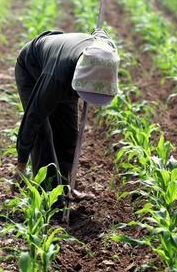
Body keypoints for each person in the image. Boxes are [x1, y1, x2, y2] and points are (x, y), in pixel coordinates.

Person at [13, 29, 120, 195]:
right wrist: (21, 162)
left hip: (67, 64)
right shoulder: (55, 79)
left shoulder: (107, 50)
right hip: (33, 66)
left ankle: (63, 189)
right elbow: (33, 117)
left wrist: (98, 32)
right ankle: (48, 195)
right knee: (43, 135)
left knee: (68, 135)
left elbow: (101, 33)